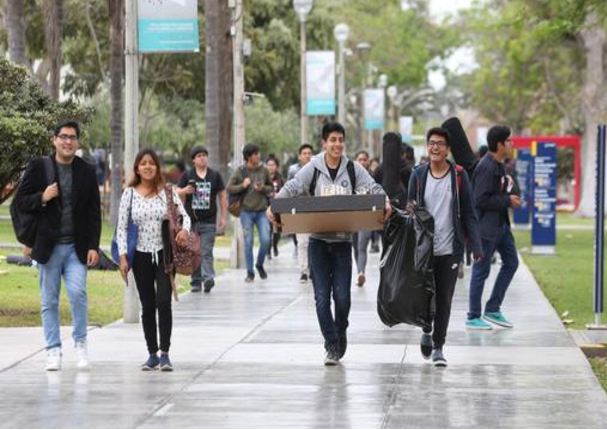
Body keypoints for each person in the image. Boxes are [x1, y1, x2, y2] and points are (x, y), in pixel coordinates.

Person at [268, 122, 391, 366]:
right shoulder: (312, 168)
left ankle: (341, 328)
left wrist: (385, 202)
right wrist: (274, 206)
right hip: (318, 244)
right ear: (324, 143)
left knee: (343, 298)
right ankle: (331, 344)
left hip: (343, 243)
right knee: (322, 298)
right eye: (332, 140)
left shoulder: (354, 169)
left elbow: (375, 188)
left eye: (340, 140)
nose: (337, 144)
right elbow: (292, 187)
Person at [14, 120, 101, 371]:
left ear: (78, 142)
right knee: (49, 301)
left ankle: (81, 343)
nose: (67, 141)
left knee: (78, 294)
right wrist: (43, 196)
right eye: (63, 136)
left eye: (72, 137)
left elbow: (94, 212)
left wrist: (93, 246)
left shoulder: (86, 170)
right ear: (54, 140)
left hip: (76, 247)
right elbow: (21, 201)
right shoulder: (39, 167)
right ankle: (53, 350)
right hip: (48, 247)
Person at [408, 127, 482, 367]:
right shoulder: (418, 175)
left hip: (450, 248)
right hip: (423, 249)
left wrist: (476, 246)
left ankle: (439, 346)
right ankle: (426, 328)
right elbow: (410, 210)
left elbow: (469, 213)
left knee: (444, 299)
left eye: (440, 143)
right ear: (427, 147)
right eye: (431, 143)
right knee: (423, 296)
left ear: (447, 149)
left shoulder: (459, 176)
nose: (435, 147)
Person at [118, 149, 191, 372]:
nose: (148, 167)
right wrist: (122, 256)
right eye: (143, 163)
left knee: (163, 301)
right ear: (137, 168)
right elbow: (121, 227)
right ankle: (152, 354)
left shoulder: (167, 192)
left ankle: (165, 353)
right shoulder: (129, 194)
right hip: (139, 256)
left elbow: (184, 217)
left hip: (164, 254)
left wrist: (184, 232)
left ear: (157, 168)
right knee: (148, 305)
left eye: (152, 163)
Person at [467, 125, 522, 331]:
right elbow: (479, 200)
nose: (512, 144)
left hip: (501, 227)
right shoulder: (487, 166)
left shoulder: (499, 165)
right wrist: (507, 201)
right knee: (481, 271)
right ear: (500, 144)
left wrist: (508, 196)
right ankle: (472, 316)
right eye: (509, 141)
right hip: (486, 228)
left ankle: (492, 308)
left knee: (512, 262)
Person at [177, 146, 227, 293]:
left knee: (206, 251)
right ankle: (195, 282)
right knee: (193, 252)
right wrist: (184, 190)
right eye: (199, 156)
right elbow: (176, 191)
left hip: (209, 221)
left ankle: (208, 278)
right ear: (193, 159)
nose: (202, 158)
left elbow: (222, 195)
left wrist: (223, 217)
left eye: (204, 155)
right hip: (191, 221)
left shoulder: (214, 175)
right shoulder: (188, 175)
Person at [227, 143, 273, 283]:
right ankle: (250, 272)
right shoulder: (240, 171)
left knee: (266, 240)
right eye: (255, 154)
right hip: (246, 211)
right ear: (248, 157)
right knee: (248, 242)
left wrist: (263, 188)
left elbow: (271, 188)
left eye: (258, 153)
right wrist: (243, 185)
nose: (258, 156)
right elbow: (229, 188)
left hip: (262, 211)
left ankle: (259, 264)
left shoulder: (264, 170)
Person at [353, 150, 373, 288]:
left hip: (367, 217)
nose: (362, 161)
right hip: (352, 217)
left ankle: (361, 272)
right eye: (359, 159)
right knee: (355, 246)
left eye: (364, 159)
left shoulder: (372, 178)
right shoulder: (349, 176)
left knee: (362, 246)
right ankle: (359, 271)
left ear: (368, 162)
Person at [266, 155, 284, 260]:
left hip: (278, 206)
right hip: (267, 206)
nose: (270, 167)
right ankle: (268, 251)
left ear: (276, 166)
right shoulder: (264, 177)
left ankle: (275, 245)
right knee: (268, 230)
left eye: (272, 165)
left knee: (278, 230)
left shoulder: (280, 178)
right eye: (268, 165)